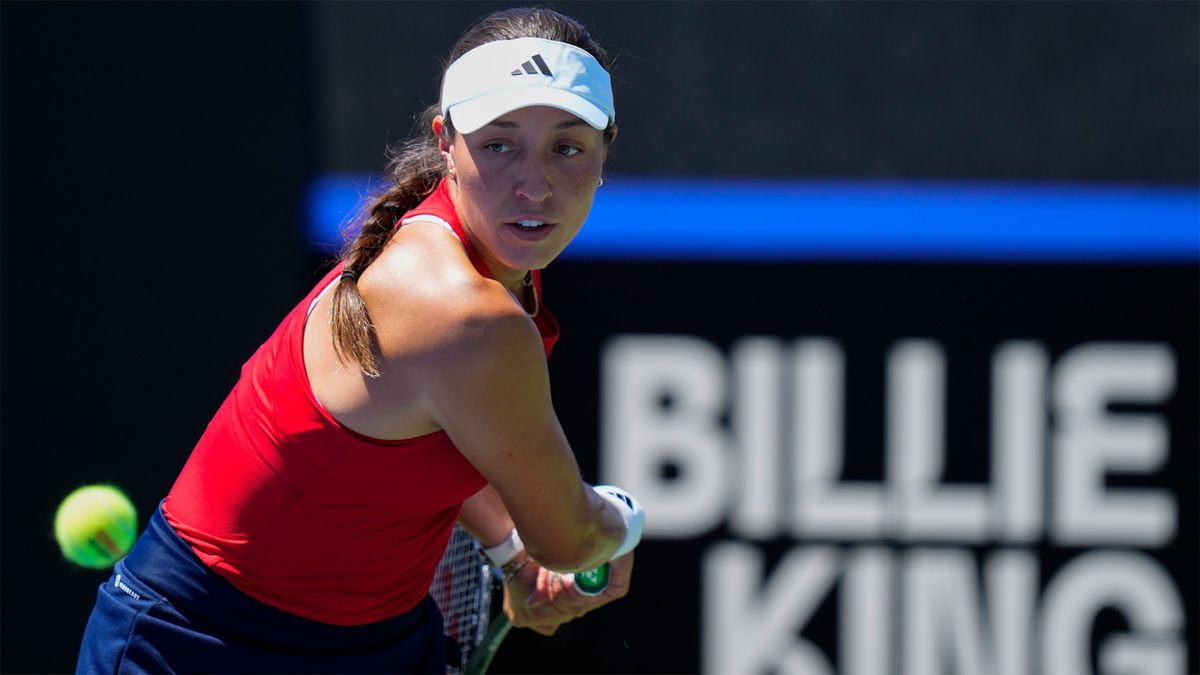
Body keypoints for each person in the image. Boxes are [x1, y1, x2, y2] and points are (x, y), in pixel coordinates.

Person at [75, 7, 643, 673]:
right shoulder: (463, 311)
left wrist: (509, 551)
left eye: (567, 148)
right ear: (446, 144)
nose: (535, 183)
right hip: (199, 644)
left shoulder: (464, 261)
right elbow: (572, 539)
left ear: (606, 150)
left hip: (375, 642)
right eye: (499, 144)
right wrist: (624, 517)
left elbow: (426, 429)